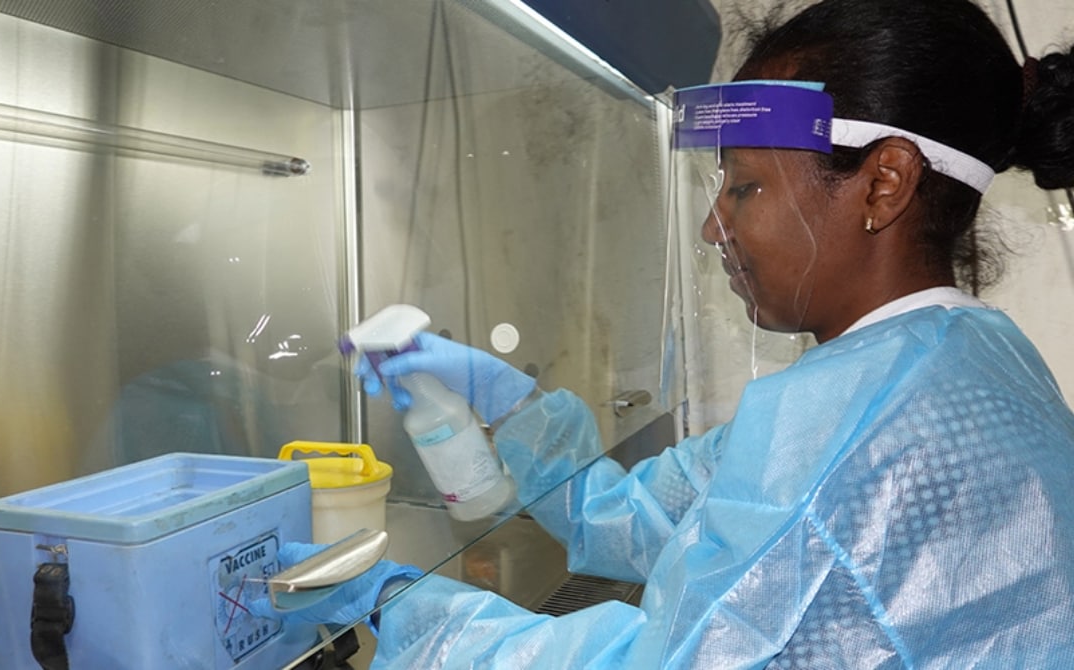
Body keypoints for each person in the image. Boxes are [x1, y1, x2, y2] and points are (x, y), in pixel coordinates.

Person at [257, 0, 1074, 666]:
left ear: (882, 183)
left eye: (746, 186)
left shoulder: (868, 432)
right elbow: (634, 517)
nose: (715, 227)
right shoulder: (959, 359)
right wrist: (504, 399)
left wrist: (405, 610)